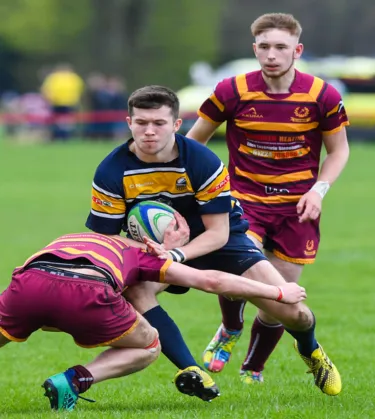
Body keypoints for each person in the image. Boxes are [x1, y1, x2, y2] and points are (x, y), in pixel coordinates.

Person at [86, 84, 342, 396]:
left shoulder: (201, 161)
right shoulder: (112, 170)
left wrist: (176, 254)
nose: (149, 131)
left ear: (177, 125)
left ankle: (311, 349)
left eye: (159, 123)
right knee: (138, 291)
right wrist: (157, 250)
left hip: (219, 240)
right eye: (141, 123)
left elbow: (218, 233)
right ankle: (191, 369)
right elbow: (107, 239)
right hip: (157, 248)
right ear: (129, 123)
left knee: (293, 312)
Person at [186, 13, 350, 385]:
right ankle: (229, 328)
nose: (272, 55)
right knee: (238, 269)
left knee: (281, 299)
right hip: (244, 201)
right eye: (264, 47)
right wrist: (206, 191)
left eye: (281, 47)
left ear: (298, 49)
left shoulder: (322, 95)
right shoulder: (232, 90)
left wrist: (318, 190)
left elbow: (339, 152)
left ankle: (253, 368)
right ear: (254, 48)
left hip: (298, 208)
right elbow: (194, 143)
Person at [0, 232, 305, 412]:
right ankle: (74, 381)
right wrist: (278, 291)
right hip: (89, 289)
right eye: (177, 231)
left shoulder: (75, 238)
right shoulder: (143, 253)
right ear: (155, 237)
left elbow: (42, 284)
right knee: (149, 345)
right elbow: (210, 280)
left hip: (27, 285)